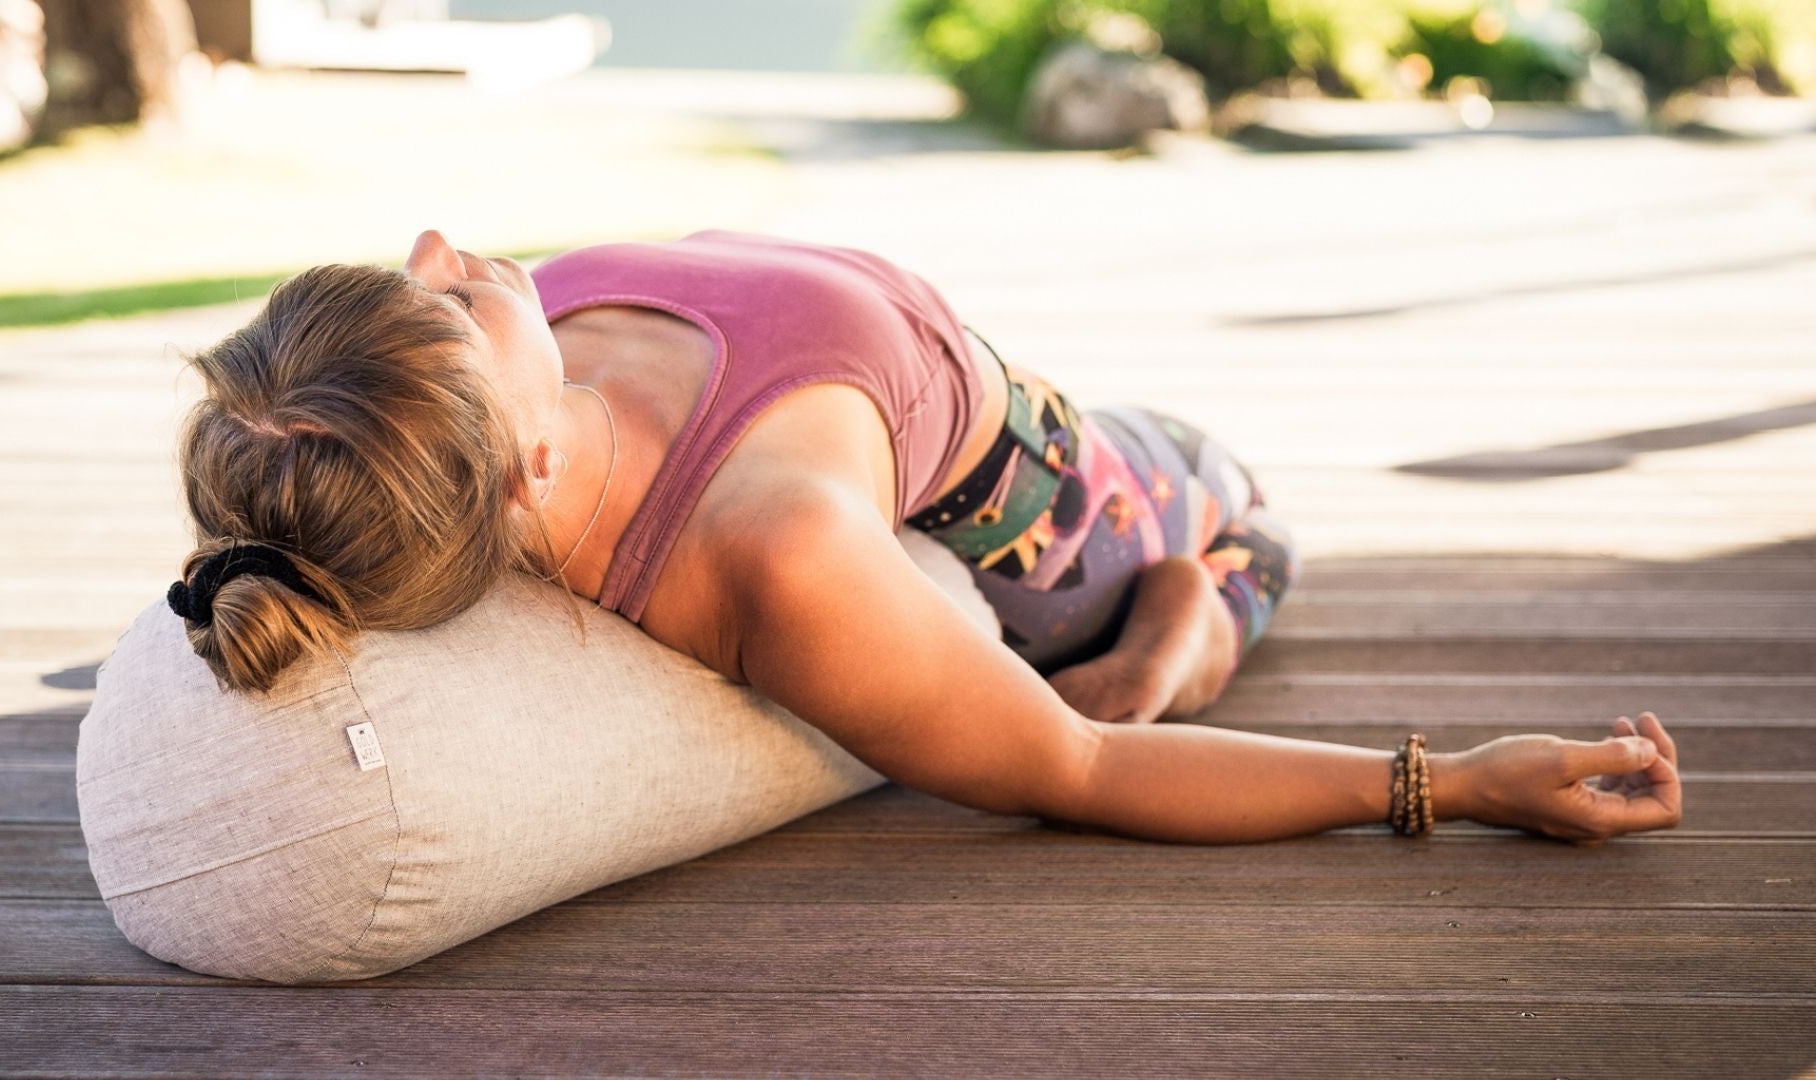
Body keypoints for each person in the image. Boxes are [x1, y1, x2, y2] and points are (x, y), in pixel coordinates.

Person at [166, 228, 1682, 845]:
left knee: (1202, 449)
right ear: (531, 465)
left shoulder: (434, 425)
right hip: (1077, 525)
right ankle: (1185, 625)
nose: (446, 248)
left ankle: (1191, 600)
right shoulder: (783, 552)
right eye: (449, 302)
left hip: (1045, 407)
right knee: (1254, 508)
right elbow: (1074, 769)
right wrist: (1455, 784)